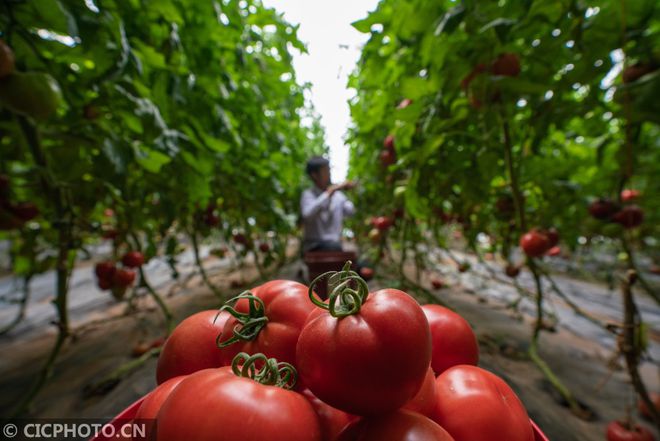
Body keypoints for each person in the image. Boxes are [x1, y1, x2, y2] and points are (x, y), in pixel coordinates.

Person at [300, 156, 356, 253]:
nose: (329, 174)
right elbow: (307, 215)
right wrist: (328, 194)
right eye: (325, 171)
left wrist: (350, 193)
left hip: (335, 245)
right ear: (314, 175)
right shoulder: (308, 195)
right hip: (314, 246)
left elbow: (350, 212)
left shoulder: (338, 196)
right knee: (335, 248)